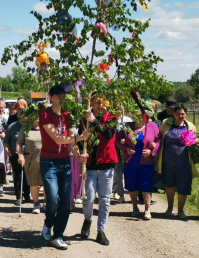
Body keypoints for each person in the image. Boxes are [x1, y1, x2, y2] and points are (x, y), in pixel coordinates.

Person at [39, 84, 89, 250]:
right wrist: (80, 138)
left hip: (64, 162)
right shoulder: (45, 114)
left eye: (64, 95)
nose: (63, 97)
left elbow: (72, 143)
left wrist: (79, 158)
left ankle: (58, 235)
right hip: (48, 161)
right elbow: (59, 139)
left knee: (66, 203)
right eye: (59, 95)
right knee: (53, 199)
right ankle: (48, 223)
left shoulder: (68, 116)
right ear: (51, 96)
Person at [80, 93, 117, 246]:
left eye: (103, 102)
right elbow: (80, 138)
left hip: (106, 165)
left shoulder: (112, 119)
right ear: (91, 104)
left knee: (104, 200)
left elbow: (108, 134)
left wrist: (94, 121)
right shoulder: (84, 120)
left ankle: (101, 231)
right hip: (89, 165)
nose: (101, 105)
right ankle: (87, 219)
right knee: (88, 198)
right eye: (97, 102)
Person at [155, 104, 199, 219]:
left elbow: (196, 141)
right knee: (169, 185)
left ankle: (181, 211)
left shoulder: (190, 126)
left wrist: (198, 141)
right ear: (173, 114)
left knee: (183, 186)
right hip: (168, 161)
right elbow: (159, 137)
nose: (180, 116)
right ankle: (169, 208)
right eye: (178, 113)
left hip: (184, 162)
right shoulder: (166, 124)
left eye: (183, 114)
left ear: (186, 114)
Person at [115, 114, 160, 220]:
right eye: (138, 116)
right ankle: (135, 207)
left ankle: (147, 209)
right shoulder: (127, 126)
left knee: (146, 185)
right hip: (131, 160)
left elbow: (159, 140)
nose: (140, 118)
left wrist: (151, 150)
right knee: (132, 184)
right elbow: (117, 140)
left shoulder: (152, 126)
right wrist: (126, 148)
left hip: (147, 161)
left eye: (143, 116)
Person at [4, 100, 30, 205]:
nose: (23, 118)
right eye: (21, 115)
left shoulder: (31, 126)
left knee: (28, 175)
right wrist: (6, 150)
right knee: (18, 175)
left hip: (28, 155)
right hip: (15, 154)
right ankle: (19, 196)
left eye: (25, 116)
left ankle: (27, 194)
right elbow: (6, 141)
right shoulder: (12, 126)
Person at [16, 118, 43, 214]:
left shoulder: (46, 126)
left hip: (46, 158)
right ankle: (36, 203)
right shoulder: (25, 128)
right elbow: (19, 142)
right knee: (33, 181)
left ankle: (48, 202)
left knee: (47, 181)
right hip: (30, 159)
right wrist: (20, 155)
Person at [113, 106, 133, 203]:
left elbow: (132, 134)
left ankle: (132, 193)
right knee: (119, 172)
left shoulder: (128, 121)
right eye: (116, 111)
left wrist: (126, 140)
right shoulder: (112, 122)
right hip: (115, 149)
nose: (118, 113)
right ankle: (120, 194)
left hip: (126, 150)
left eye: (120, 111)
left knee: (127, 172)